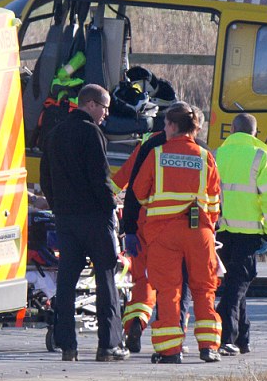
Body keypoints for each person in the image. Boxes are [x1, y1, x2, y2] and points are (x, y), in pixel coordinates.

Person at [40, 83, 129, 362]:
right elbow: (100, 178)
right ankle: (108, 345)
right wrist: (111, 207)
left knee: (66, 281)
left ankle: (68, 345)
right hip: (93, 217)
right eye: (104, 108)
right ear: (90, 104)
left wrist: (58, 207)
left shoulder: (54, 134)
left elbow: (45, 178)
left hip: (66, 219)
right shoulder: (91, 133)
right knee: (105, 277)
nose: (106, 114)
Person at [132, 103, 222, 364]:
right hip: (200, 232)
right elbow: (216, 201)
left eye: (166, 124)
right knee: (205, 288)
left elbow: (139, 192)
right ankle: (209, 348)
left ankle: (170, 351)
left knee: (169, 290)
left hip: (164, 232)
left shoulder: (157, 154)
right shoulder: (206, 157)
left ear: (172, 126)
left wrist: (157, 210)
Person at [111, 108, 193, 354]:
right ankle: (176, 333)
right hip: (178, 227)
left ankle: (135, 324)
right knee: (177, 282)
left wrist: (126, 222)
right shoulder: (196, 151)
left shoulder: (147, 145)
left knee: (143, 279)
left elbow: (123, 181)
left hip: (145, 223)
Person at [215, 113, 267, 356]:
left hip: (221, 231)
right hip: (250, 234)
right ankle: (227, 338)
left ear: (232, 129)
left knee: (235, 284)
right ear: (256, 132)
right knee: (236, 286)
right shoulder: (262, 158)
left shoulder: (217, 155)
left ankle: (242, 339)